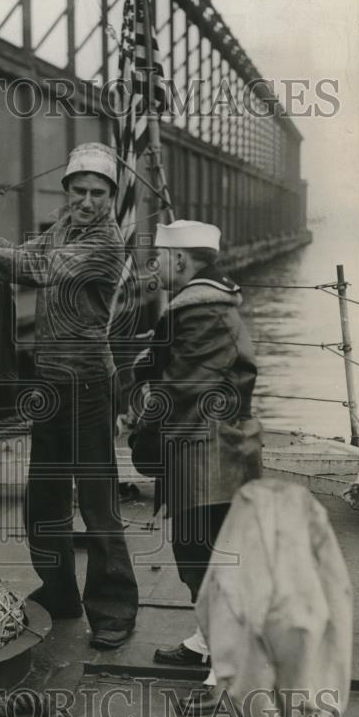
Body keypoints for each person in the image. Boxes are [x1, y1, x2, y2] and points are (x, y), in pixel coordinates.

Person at [0, 142, 138, 649]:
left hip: (88, 382)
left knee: (96, 498)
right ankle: (59, 593)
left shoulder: (107, 242)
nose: (88, 201)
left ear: (112, 197)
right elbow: (27, 257)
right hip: (49, 381)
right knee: (43, 496)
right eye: (80, 190)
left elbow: (39, 271)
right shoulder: (64, 225)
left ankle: (112, 607)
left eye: (99, 193)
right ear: (66, 190)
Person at [128, 219, 263, 671]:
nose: (155, 265)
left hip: (206, 452)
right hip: (217, 449)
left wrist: (142, 434)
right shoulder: (209, 306)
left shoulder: (199, 312)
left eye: (160, 258)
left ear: (181, 260)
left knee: (201, 553)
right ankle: (212, 639)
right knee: (204, 551)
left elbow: (185, 389)